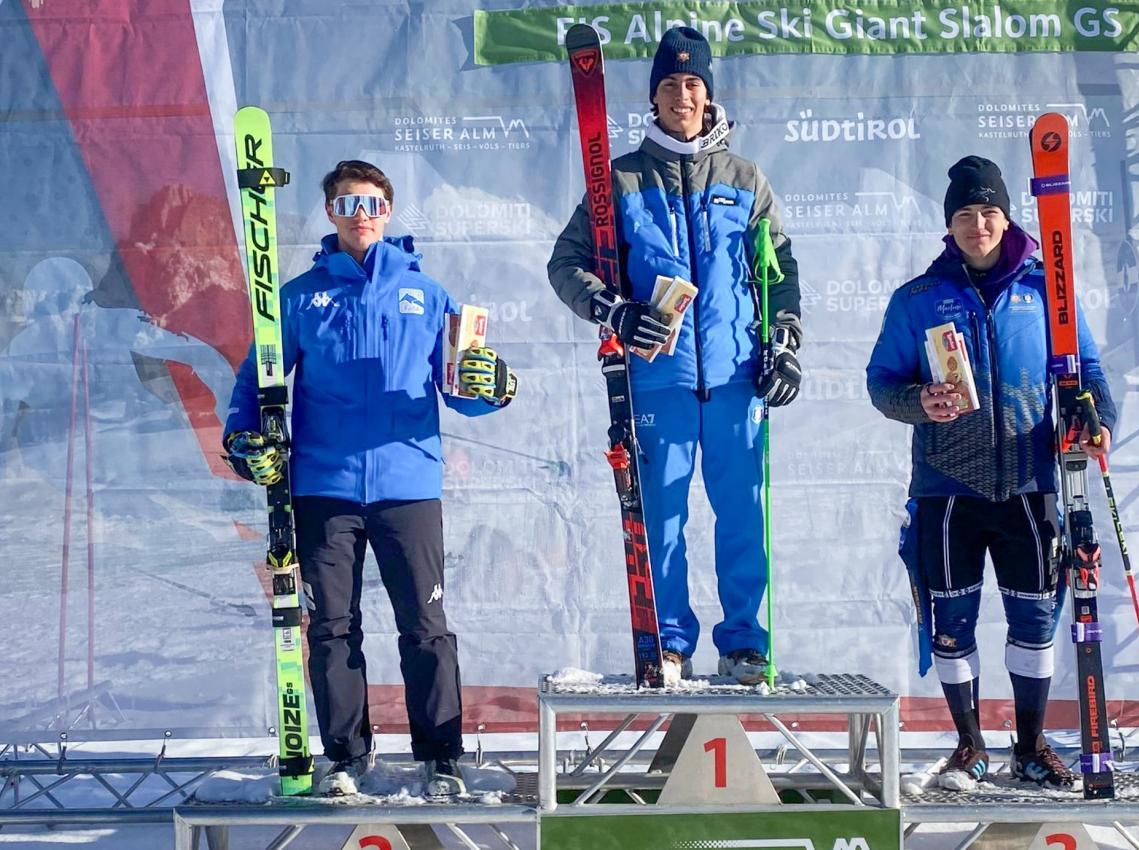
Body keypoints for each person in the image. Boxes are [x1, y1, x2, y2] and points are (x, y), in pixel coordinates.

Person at [223, 160, 518, 797]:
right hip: (323, 487)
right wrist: (242, 441)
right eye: (346, 204)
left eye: (371, 204)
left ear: (387, 212)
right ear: (329, 214)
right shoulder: (298, 298)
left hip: (409, 486)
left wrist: (491, 388)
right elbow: (255, 384)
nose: (360, 215)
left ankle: (440, 757)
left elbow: (459, 386)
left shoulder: (428, 294)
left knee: (425, 625)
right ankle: (346, 758)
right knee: (331, 627)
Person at [547, 27, 802, 686]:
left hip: (735, 380)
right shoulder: (622, 180)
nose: (682, 96)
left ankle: (744, 642)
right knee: (660, 521)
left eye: (693, 84)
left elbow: (780, 270)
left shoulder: (746, 179)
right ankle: (669, 641)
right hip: (657, 383)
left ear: (708, 94)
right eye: (669, 85)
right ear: (653, 98)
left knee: (743, 514)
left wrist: (786, 345)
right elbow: (566, 263)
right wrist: (616, 311)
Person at [866, 156, 1117, 790]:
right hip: (948, 488)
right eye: (964, 215)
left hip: (1031, 484)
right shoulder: (919, 298)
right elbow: (881, 383)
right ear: (948, 226)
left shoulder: (1045, 290)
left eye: (989, 212)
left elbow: (1086, 367)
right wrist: (919, 400)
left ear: (1006, 218)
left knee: (1034, 621)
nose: (977, 224)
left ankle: (1030, 746)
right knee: (952, 625)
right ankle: (968, 747)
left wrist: (1097, 416)